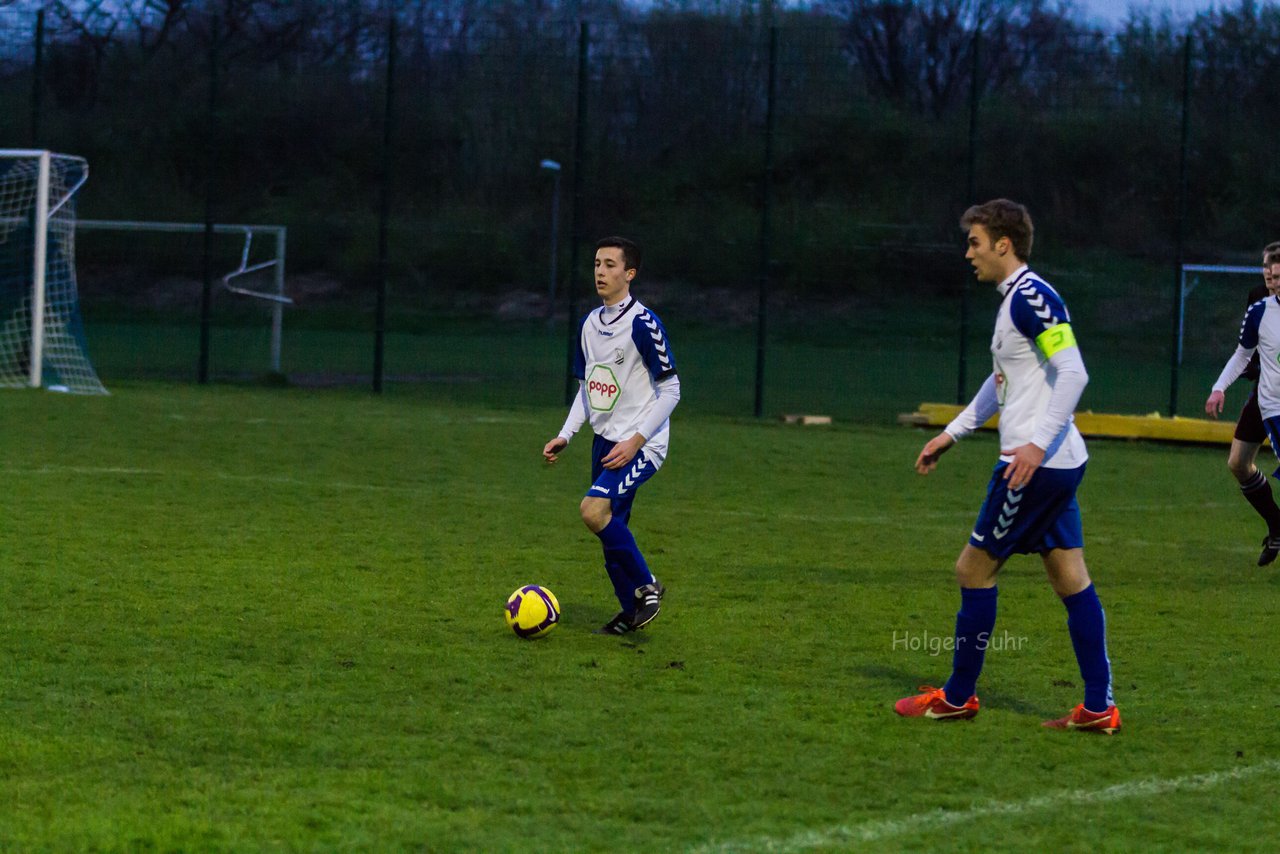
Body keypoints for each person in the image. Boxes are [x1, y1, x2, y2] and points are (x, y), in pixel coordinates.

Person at [895, 199, 1120, 733]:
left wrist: (1037, 446)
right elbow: (1002, 384)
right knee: (1070, 576)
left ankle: (957, 697)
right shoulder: (1014, 301)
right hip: (1054, 462)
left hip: (1034, 466)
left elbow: (1074, 372)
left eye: (974, 242)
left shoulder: (1033, 297)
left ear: (1003, 244)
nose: (967, 252)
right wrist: (951, 433)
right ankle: (1097, 707)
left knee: (972, 569)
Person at [542, 236, 680, 634]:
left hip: (642, 444)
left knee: (592, 510)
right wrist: (565, 435)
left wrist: (636, 440)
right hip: (606, 442)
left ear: (629, 273)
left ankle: (647, 586)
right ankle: (632, 611)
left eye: (610, 265)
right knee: (608, 529)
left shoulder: (643, 324)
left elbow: (672, 390)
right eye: (597, 264)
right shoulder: (589, 324)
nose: (600, 272)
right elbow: (588, 387)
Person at [1204, 243, 1280, 565]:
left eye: (1276, 274)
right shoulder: (1260, 309)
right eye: (1268, 272)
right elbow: (1243, 354)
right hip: (1266, 399)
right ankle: (1277, 525)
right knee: (1238, 463)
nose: (1271, 278)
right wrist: (1219, 388)